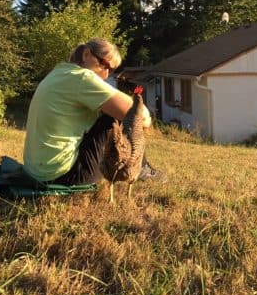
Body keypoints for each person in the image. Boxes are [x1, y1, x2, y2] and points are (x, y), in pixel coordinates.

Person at [23, 38, 161, 185]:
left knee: (112, 111)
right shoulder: (82, 78)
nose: (107, 74)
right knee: (119, 117)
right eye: (105, 65)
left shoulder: (59, 72)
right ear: (86, 54)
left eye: (112, 70)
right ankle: (141, 168)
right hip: (64, 175)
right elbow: (143, 118)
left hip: (36, 172)